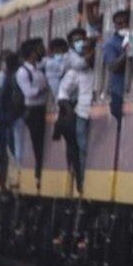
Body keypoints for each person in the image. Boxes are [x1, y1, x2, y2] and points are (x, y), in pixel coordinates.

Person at [56, 39, 95, 193]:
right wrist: (69, 109)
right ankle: (81, 179)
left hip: (91, 113)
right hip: (80, 113)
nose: (87, 54)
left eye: (89, 50)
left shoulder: (96, 71)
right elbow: (62, 93)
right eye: (84, 51)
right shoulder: (75, 73)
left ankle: (82, 179)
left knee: (83, 147)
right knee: (81, 146)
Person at [16, 38, 50, 187]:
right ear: (32, 53)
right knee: (37, 142)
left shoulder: (39, 67)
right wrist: (43, 88)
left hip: (43, 108)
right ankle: (38, 174)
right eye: (39, 49)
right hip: (33, 111)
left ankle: (41, 173)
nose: (41, 51)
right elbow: (28, 92)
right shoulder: (22, 72)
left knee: (43, 142)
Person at [0, 51, 21, 189]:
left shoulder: (2, 90)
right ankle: (4, 186)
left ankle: (7, 184)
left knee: (7, 154)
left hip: (5, 126)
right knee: (0, 156)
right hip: (0, 129)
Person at [102, 9, 131, 122]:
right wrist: (126, 53)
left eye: (126, 22)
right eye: (119, 23)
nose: (123, 26)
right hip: (118, 92)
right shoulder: (110, 44)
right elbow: (113, 66)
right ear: (115, 25)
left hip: (131, 90)